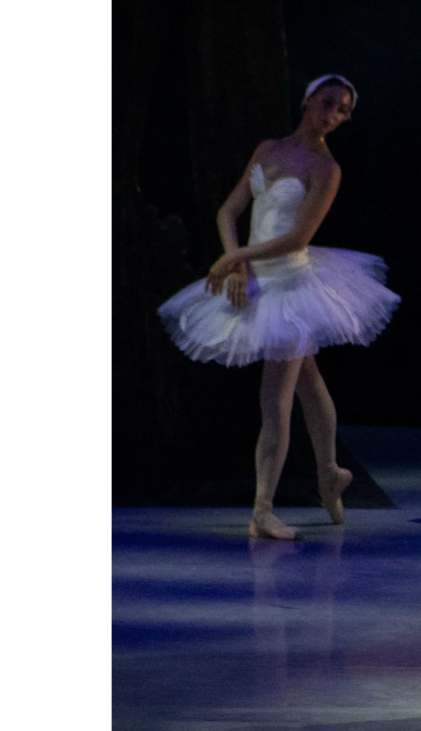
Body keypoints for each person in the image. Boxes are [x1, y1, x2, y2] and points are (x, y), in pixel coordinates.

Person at [157, 74, 401, 540]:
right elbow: (229, 212)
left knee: (276, 399)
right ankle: (329, 472)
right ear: (309, 99)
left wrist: (236, 257)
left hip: (292, 288)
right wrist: (237, 268)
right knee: (307, 378)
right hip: (255, 281)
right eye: (328, 103)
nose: (333, 115)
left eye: (343, 111)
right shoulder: (268, 149)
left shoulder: (326, 169)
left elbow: (297, 237)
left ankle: (262, 509)